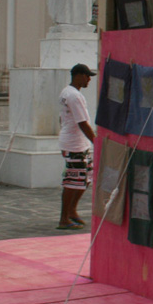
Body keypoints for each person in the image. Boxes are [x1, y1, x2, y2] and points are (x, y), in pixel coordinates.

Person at [58, 63, 96, 230]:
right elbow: (82, 122)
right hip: (75, 144)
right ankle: (64, 218)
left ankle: (72, 211)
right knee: (72, 180)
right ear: (79, 75)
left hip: (78, 142)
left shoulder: (68, 93)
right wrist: (96, 141)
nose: (89, 80)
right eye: (87, 76)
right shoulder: (73, 95)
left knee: (86, 177)